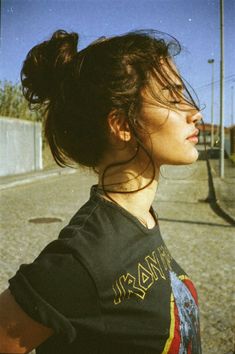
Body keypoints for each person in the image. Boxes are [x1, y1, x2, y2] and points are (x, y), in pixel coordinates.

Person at [0, 29, 203, 354]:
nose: (194, 112)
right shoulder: (84, 257)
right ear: (122, 125)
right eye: (172, 96)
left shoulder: (141, 218)